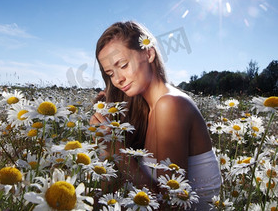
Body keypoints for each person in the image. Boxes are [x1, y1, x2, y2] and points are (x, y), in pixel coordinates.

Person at [90, 21, 221, 210]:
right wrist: (106, 149)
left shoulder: (170, 105)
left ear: (149, 53)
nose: (118, 79)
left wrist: (117, 151)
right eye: (110, 73)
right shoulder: (147, 110)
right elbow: (115, 189)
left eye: (124, 65)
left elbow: (171, 205)